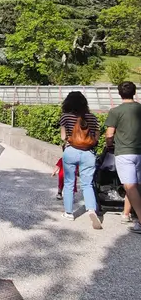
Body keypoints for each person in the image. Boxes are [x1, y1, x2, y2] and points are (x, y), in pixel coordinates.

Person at [59, 91, 101, 229]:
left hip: (71, 151)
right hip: (88, 153)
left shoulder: (65, 117)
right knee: (87, 184)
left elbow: (63, 137)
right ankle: (91, 210)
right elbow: (96, 137)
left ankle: (69, 213)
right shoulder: (92, 117)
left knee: (69, 182)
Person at [105, 81, 141, 235]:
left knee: (130, 186)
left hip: (124, 153)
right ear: (134, 92)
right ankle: (126, 214)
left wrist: (109, 145)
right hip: (139, 152)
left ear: (119, 93)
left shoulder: (116, 111)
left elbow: (109, 134)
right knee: (134, 186)